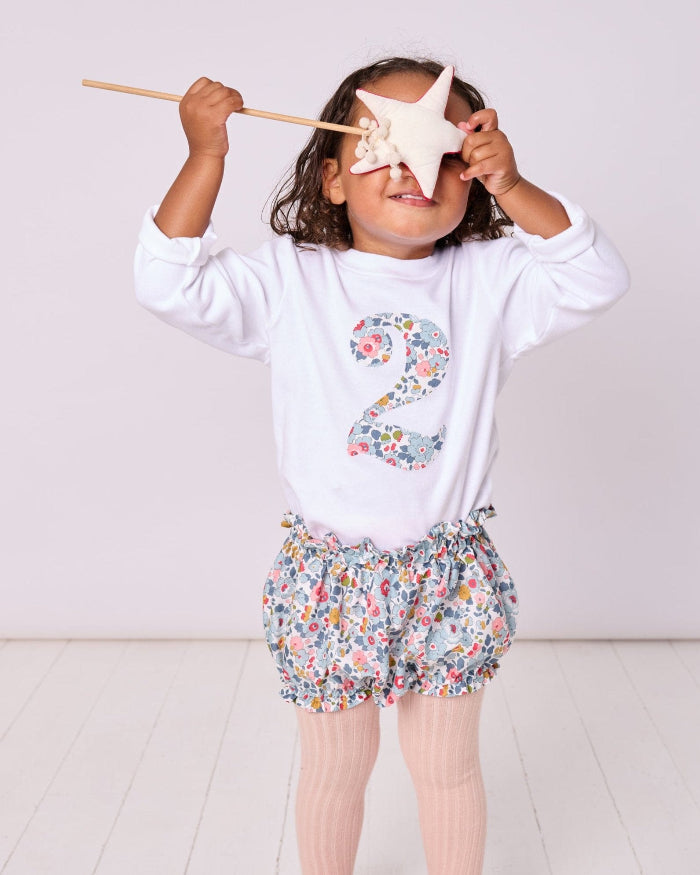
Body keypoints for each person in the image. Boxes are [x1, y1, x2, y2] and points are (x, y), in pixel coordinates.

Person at [133, 57, 630, 875]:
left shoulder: (493, 279)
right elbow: (166, 280)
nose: (413, 167)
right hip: (331, 576)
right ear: (332, 178)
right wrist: (206, 156)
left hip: (450, 573)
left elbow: (596, 273)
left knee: (448, 767)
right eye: (384, 145)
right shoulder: (294, 280)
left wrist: (517, 185)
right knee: (337, 768)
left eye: (444, 149)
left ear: (471, 173)